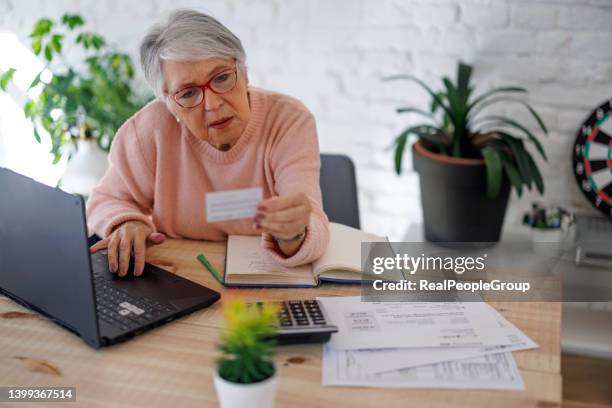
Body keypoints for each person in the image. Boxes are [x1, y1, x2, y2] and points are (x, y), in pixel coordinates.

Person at [87, 9, 329, 277]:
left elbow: (313, 223)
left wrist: (294, 231)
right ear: (168, 103)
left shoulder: (288, 120)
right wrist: (127, 222)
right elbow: (103, 201)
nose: (213, 104)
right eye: (188, 93)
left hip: (268, 278)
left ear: (244, 71)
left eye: (223, 78)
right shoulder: (150, 129)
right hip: (182, 274)